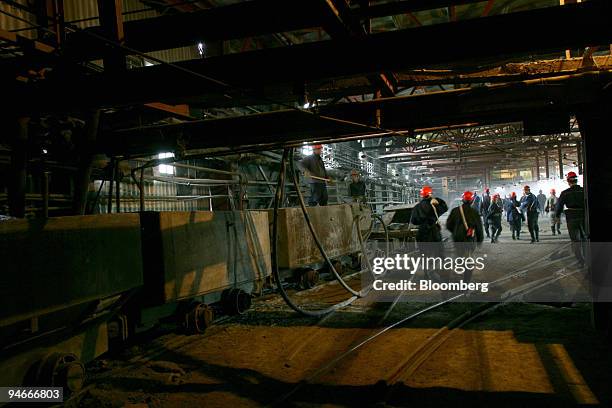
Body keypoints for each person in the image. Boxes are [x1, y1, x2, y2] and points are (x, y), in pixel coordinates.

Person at [410, 186, 448, 280]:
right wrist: (436, 200)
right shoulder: (434, 205)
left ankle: (426, 274)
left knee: (424, 254)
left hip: (422, 233)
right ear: (430, 194)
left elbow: (414, 221)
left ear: (422, 195)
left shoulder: (417, 207)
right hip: (434, 232)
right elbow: (445, 207)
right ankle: (440, 273)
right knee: (439, 253)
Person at [445, 191, 484, 282]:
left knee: (458, 257)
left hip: (457, 240)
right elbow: (479, 228)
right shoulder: (474, 212)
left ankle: (456, 278)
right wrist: (479, 240)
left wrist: (455, 232)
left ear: (462, 200)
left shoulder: (455, 211)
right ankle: (466, 282)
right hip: (469, 240)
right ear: (471, 201)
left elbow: (448, 225)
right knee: (468, 261)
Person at [555, 172, 586, 265]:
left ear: (568, 181)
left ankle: (580, 260)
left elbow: (559, 206)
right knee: (585, 238)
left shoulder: (565, 193)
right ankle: (588, 258)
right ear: (576, 180)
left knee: (575, 241)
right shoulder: (583, 190)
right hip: (583, 216)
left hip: (572, 218)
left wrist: (557, 217)